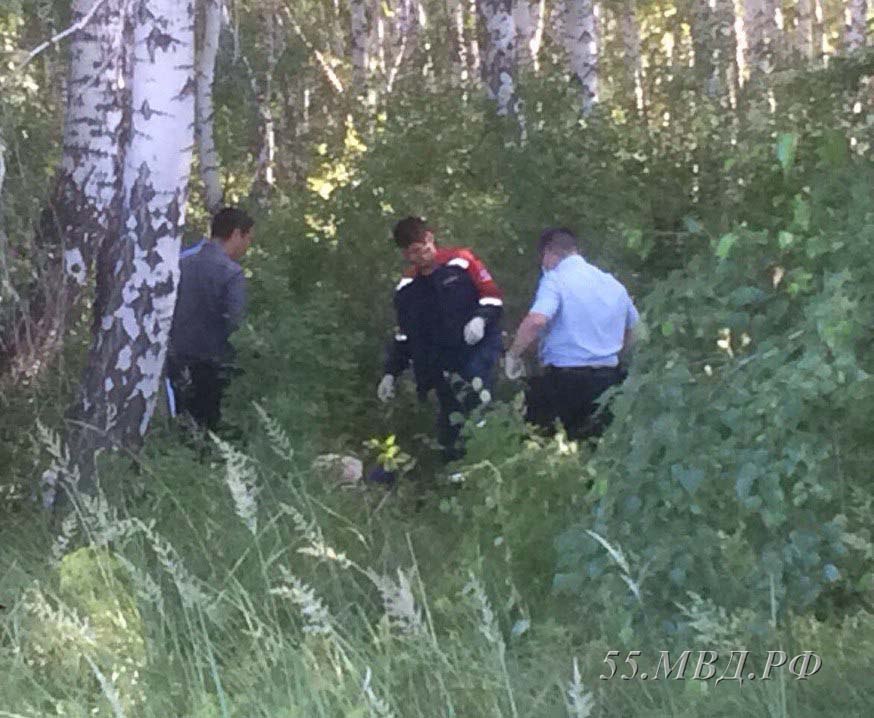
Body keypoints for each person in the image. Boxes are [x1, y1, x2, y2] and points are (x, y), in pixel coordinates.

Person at [376, 216, 504, 462]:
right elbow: (405, 336)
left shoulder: (462, 263)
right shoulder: (407, 288)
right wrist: (391, 372)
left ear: (429, 239)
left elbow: (492, 298)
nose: (419, 256)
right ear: (404, 254)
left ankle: (488, 465)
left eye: (421, 248)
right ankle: (457, 477)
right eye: (411, 253)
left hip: (475, 355)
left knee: (478, 408)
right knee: (451, 425)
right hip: (440, 366)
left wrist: (481, 318)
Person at [504, 227, 639, 440]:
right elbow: (634, 328)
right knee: (597, 446)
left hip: (565, 383)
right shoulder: (613, 284)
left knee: (543, 443)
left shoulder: (555, 280)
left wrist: (513, 354)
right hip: (608, 381)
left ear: (549, 253)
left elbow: (537, 320)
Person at [166, 207, 255, 432]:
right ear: (236, 234)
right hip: (212, 364)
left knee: (180, 422)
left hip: (175, 357)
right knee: (208, 428)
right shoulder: (231, 273)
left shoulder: (181, 262)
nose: (247, 246)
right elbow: (236, 322)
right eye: (248, 238)